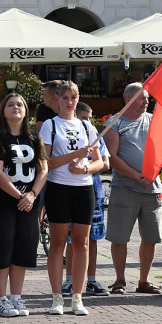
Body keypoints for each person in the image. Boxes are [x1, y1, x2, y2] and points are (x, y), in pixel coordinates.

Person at [39, 81, 105, 316]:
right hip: (59, 187)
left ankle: (78, 297)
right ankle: (57, 296)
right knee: (58, 243)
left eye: (73, 98)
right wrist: (73, 156)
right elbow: (46, 161)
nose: (69, 102)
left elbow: (100, 162)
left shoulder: (87, 126)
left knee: (82, 243)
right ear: (57, 100)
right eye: (65, 97)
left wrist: (86, 169)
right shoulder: (50, 125)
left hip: (84, 189)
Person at [0, 93, 47, 317]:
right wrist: (18, 195)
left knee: (23, 250)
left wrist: (31, 195)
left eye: (20, 104)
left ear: (26, 110)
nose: (16, 108)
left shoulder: (34, 138)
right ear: (3, 110)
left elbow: (43, 169)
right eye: (10, 104)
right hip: (3, 203)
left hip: (29, 204)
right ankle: (0, 299)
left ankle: (16, 297)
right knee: (2, 250)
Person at [103, 84, 162, 295]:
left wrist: (154, 174)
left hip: (152, 188)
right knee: (119, 237)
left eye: (147, 98)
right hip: (125, 188)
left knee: (151, 237)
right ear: (128, 99)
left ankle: (144, 281)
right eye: (141, 98)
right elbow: (111, 157)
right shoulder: (115, 122)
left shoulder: (155, 120)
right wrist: (137, 175)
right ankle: (120, 280)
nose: (146, 102)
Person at [63, 103, 111, 296]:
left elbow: (105, 163)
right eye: (83, 118)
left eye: (90, 118)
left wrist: (86, 167)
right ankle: (69, 280)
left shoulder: (95, 137)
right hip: (69, 189)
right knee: (70, 237)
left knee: (91, 238)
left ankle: (90, 279)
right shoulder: (66, 134)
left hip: (93, 190)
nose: (87, 122)